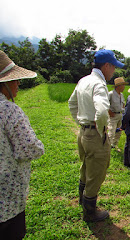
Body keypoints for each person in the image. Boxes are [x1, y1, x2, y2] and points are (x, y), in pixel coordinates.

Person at [68, 49, 124, 222]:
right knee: (96, 172)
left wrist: (80, 123)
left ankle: (82, 200)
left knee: (86, 166)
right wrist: (101, 131)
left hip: (84, 132)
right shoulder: (99, 84)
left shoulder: (83, 80)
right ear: (106, 66)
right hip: (94, 133)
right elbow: (101, 112)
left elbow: (72, 103)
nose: (114, 71)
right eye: (113, 67)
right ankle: (90, 213)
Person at [0, 50, 45, 239]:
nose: (18, 83)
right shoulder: (9, 111)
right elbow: (32, 148)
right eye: (14, 79)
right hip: (7, 201)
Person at [108, 77, 127, 152]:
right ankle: (107, 147)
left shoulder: (121, 95)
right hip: (113, 116)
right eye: (123, 85)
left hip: (120, 115)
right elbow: (105, 104)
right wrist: (109, 111)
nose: (124, 87)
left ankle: (114, 145)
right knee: (111, 131)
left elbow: (123, 104)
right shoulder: (111, 94)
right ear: (118, 86)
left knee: (118, 131)